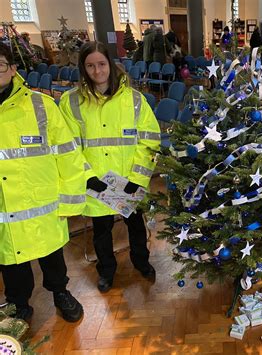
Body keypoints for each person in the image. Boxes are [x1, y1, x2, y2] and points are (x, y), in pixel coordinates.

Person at [59, 42, 161, 293]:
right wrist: (88, 176)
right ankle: (106, 271)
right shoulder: (71, 102)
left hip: (128, 180)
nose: (97, 71)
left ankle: (142, 262)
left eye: (101, 64)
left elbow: (149, 140)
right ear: (83, 69)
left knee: (135, 226)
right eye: (90, 66)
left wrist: (138, 177)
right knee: (101, 232)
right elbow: (67, 146)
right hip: (97, 182)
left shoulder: (134, 100)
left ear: (111, 65)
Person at [0, 42, 85, 322]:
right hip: (4, 208)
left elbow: (68, 156)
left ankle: (60, 292)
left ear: (13, 69)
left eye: (0, 65)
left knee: (52, 256)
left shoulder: (41, 105)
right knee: (11, 260)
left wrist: (71, 201)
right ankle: (17, 303)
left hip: (42, 202)